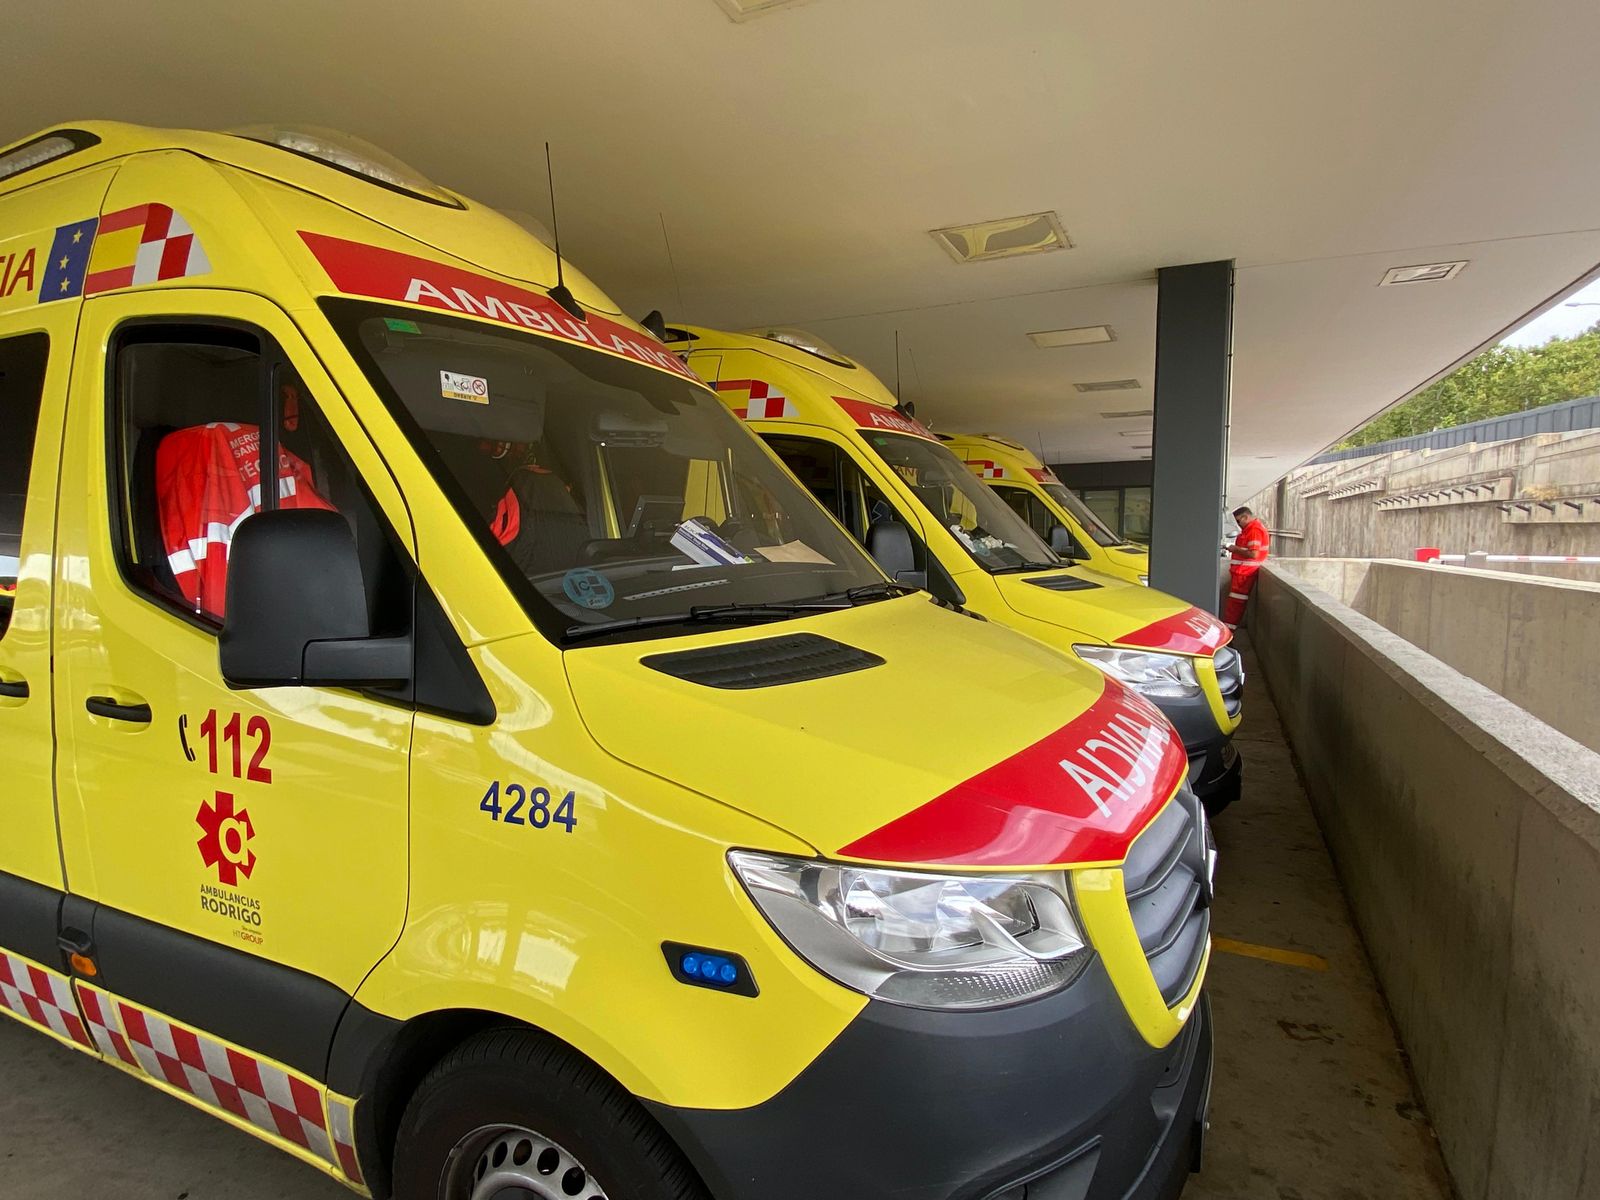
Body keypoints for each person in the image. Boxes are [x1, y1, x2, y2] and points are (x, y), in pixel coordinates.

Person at [1222, 505, 1270, 630]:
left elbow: (1253, 554)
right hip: (1241, 573)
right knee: (1234, 604)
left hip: (1244, 574)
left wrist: (1233, 548)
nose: (1238, 525)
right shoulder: (1250, 529)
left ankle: (1229, 633)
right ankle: (1229, 632)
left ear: (1245, 517)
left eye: (1238, 521)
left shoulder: (1254, 530)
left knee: (1235, 605)